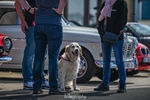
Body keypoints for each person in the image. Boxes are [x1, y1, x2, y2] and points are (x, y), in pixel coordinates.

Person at [17, 0, 68, 94]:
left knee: (38, 57)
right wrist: (60, 9)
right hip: (53, 22)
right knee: (53, 57)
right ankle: (53, 87)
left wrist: (29, 9)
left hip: (39, 22)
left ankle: (37, 87)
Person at [94, 0, 128, 93]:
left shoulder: (121, 2)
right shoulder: (105, 3)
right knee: (106, 61)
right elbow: (100, 20)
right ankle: (105, 84)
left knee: (119, 61)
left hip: (117, 38)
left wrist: (113, 33)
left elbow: (122, 21)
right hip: (104, 37)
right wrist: (101, 33)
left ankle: (122, 84)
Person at [14, 0, 49, 90]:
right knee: (30, 53)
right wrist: (22, 20)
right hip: (32, 25)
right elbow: (17, 3)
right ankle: (28, 79)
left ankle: (40, 78)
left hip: (44, 24)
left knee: (42, 54)